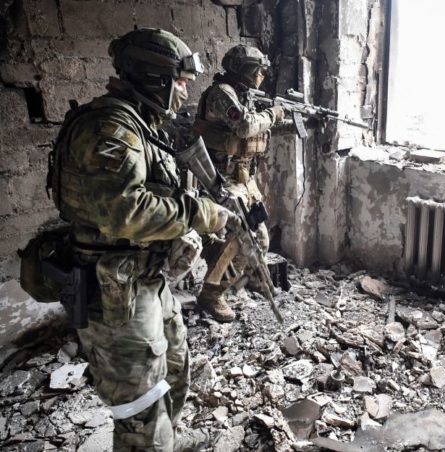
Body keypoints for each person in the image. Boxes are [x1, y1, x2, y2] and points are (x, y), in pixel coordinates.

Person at [49, 28, 237, 451]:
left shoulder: (139, 122)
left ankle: (168, 441)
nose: (186, 92)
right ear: (157, 78)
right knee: (141, 415)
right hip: (115, 296)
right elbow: (124, 212)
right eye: (182, 81)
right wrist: (198, 214)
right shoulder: (110, 128)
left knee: (175, 374)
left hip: (147, 281)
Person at [192, 44, 286, 322]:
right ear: (243, 70)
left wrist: (281, 117)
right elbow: (244, 127)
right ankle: (211, 294)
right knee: (252, 237)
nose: (261, 76)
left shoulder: (243, 95)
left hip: (243, 177)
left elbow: (254, 131)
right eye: (257, 71)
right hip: (219, 178)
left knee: (258, 236)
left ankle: (251, 277)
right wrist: (273, 114)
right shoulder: (222, 94)